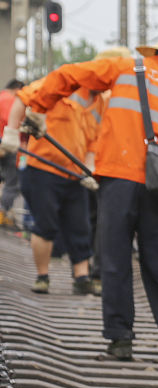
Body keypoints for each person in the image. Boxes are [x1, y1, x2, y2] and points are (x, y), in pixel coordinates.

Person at [0, 25, 158, 360]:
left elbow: (68, 75)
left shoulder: (127, 69)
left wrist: (38, 104)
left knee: (114, 259)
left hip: (118, 180)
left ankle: (120, 339)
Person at [7, 75, 106, 294]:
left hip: (73, 174)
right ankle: (42, 276)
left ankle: (81, 279)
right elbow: (23, 98)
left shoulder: (99, 104)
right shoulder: (61, 85)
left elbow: (93, 142)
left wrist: (88, 171)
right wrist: (12, 131)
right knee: (46, 225)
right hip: (43, 170)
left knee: (80, 226)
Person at [0, 79, 25, 228]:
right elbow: (14, 121)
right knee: (12, 183)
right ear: (18, 90)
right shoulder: (10, 100)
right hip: (7, 145)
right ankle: (2, 212)